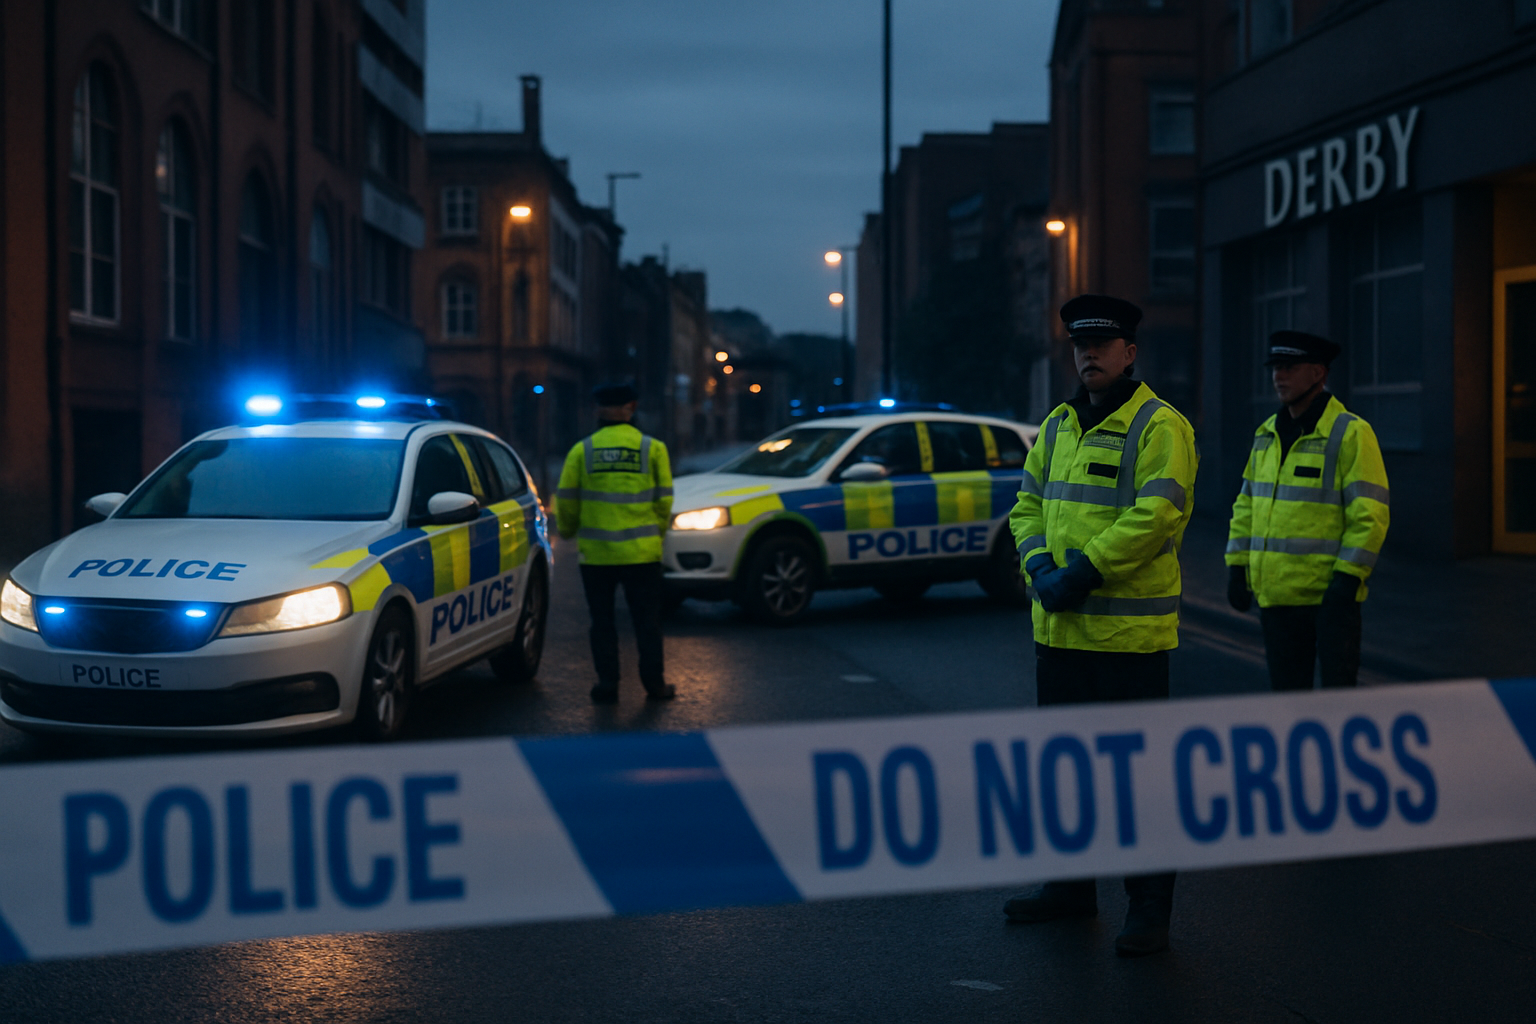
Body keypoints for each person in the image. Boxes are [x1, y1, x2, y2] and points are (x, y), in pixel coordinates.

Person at [1003, 294, 1198, 957]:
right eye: (1080, 345)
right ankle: (1070, 887)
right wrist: (1036, 565)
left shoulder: (1159, 426)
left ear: (1130, 352)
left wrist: (1080, 572)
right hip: (1059, 633)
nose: (1088, 354)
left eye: (1103, 344)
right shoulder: (1058, 425)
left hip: (1127, 640)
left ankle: (1148, 909)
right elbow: (1026, 503)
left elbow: (1157, 516)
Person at [1226, 331, 1390, 690]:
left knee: (1337, 706)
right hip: (1277, 598)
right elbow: (1247, 504)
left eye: (1289, 367)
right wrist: (1237, 568)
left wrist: (1347, 579)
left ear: (1318, 373)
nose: (1278, 376)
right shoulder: (1265, 434)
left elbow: (1371, 514)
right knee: (1289, 705)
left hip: (1330, 599)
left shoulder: (1350, 433)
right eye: (1275, 368)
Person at [554, 383, 676, 703]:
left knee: (602, 622)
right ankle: (654, 685)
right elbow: (664, 501)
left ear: (598, 410)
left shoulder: (582, 451)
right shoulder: (654, 449)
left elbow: (566, 500)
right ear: (632, 408)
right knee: (647, 623)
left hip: (597, 556)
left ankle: (608, 684)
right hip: (642, 554)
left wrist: (567, 531)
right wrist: (655, 534)